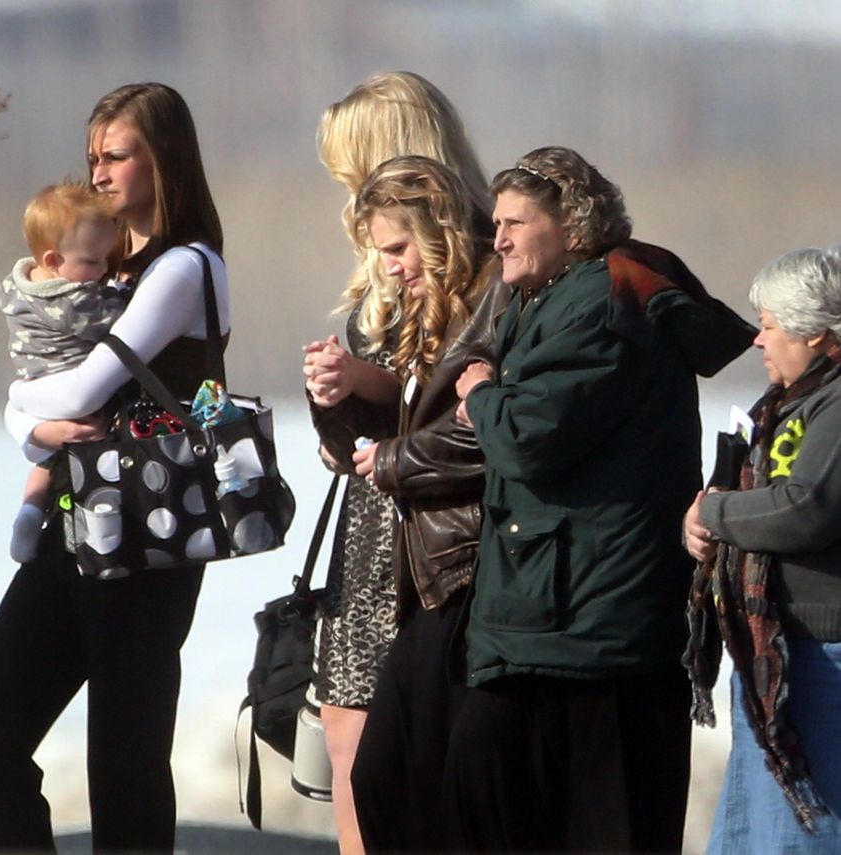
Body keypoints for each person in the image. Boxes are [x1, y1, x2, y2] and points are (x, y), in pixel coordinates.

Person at [447, 146, 754, 853]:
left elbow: (529, 439)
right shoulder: (555, 296)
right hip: (556, 611)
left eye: (516, 223)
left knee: (599, 820)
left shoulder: (601, 304)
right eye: (497, 223)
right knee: (498, 796)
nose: (498, 239)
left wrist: (481, 394)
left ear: (573, 225)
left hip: (594, 621)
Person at [0, 82, 227, 853]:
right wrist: (28, 422)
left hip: (149, 531)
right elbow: (43, 398)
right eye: (93, 158)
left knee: (124, 765)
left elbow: (83, 388)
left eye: (116, 155)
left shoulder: (185, 267)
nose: (100, 173)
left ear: (163, 158)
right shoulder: (102, 266)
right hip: (74, 517)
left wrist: (25, 413)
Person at [302, 71, 490, 855]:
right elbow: (375, 418)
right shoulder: (386, 272)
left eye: (353, 167)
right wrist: (336, 398)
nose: (346, 190)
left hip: (426, 536)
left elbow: (449, 406)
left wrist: (366, 392)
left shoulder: (476, 270)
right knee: (349, 740)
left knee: (396, 759)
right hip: (372, 522)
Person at [683, 247, 841, 853]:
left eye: (770, 325)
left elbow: (807, 507)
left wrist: (714, 515)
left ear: (815, 332)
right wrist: (700, 523)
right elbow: (736, 497)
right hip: (773, 656)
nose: (758, 340)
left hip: (823, 661)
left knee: (809, 831)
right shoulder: (781, 406)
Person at [0, 180, 124, 564]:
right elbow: (113, 320)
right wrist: (125, 290)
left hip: (34, 380)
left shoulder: (15, 286)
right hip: (69, 379)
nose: (103, 269)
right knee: (83, 455)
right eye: (92, 262)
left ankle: (30, 510)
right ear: (53, 261)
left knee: (46, 463)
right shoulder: (69, 300)